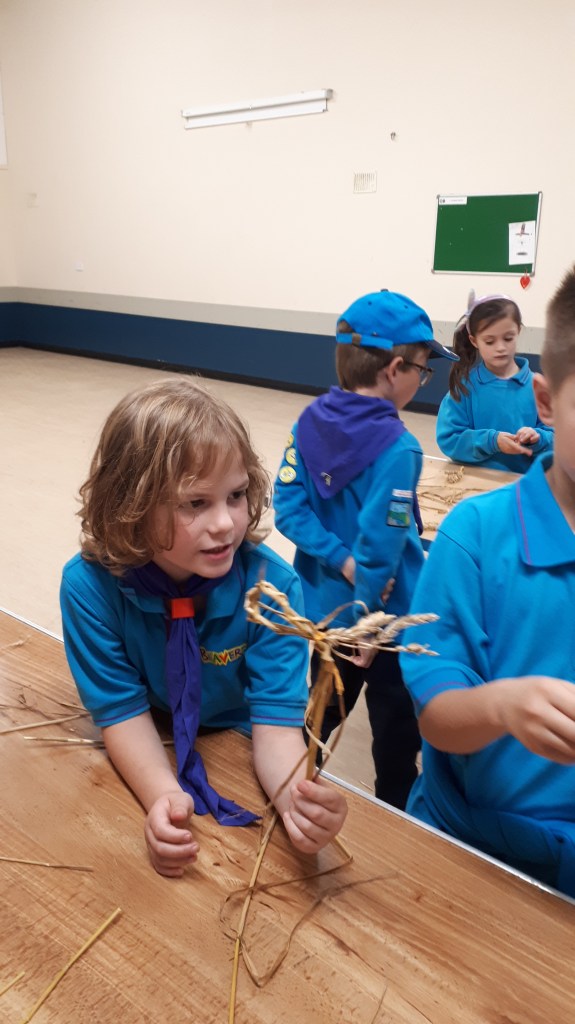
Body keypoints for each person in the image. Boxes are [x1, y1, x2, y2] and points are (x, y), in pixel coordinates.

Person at [60, 377, 347, 877]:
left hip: (239, 736)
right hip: (152, 731)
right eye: (195, 503)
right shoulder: (90, 590)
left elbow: (277, 727)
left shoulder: (272, 591)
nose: (226, 524)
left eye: (235, 495)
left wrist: (295, 801)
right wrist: (163, 795)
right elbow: (121, 712)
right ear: (129, 504)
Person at [399, 265, 575, 896]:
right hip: (478, 851)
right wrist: (502, 705)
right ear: (547, 400)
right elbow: (438, 713)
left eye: (510, 339)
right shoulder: (475, 537)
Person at [273, 290, 458, 809]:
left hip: (326, 613)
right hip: (384, 622)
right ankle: (394, 811)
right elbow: (380, 549)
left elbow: (288, 508)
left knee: (320, 712)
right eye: (423, 370)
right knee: (396, 732)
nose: (423, 380)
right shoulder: (399, 448)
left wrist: (339, 560)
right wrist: (369, 620)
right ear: (395, 370)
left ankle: (287, 787)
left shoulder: (308, 422)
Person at [436, 293, 554, 473]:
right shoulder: (465, 387)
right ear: (474, 341)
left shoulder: (537, 386)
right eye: (490, 341)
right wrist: (491, 441)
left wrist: (538, 438)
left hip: (524, 482)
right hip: (477, 481)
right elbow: (449, 438)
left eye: (508, 338)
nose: (500, 347)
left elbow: (558, 437)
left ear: (518, 332)